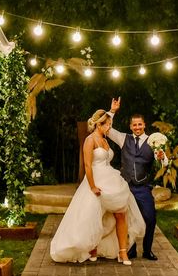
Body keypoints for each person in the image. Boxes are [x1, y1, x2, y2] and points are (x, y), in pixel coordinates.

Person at [50, 109, 145, 264]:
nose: (109, 127)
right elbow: (88, 165)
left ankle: (123, 252)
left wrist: (112, 111)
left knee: (120, 213)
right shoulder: (90, 140)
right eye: (107, 124)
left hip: (111, 180)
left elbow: (106, 161)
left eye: (109, 124)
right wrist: (93, 186)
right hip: (96, 180)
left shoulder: (106, 140)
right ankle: (91, 248)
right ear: (98, 125)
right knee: (94, 216)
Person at [107, 97, 159, 261]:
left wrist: (163, 157)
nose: (137, 127)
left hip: (143, 187)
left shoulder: (153, 141)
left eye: (140, 124)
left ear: (144, 125)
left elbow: (164, 162)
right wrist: (113, 111)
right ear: (130, 126)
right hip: (126, 186)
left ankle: (147, 250)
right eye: (134, 125)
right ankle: (131, 249)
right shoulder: (124, 138)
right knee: (128, 219)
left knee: (150, 218)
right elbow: (107, 129)